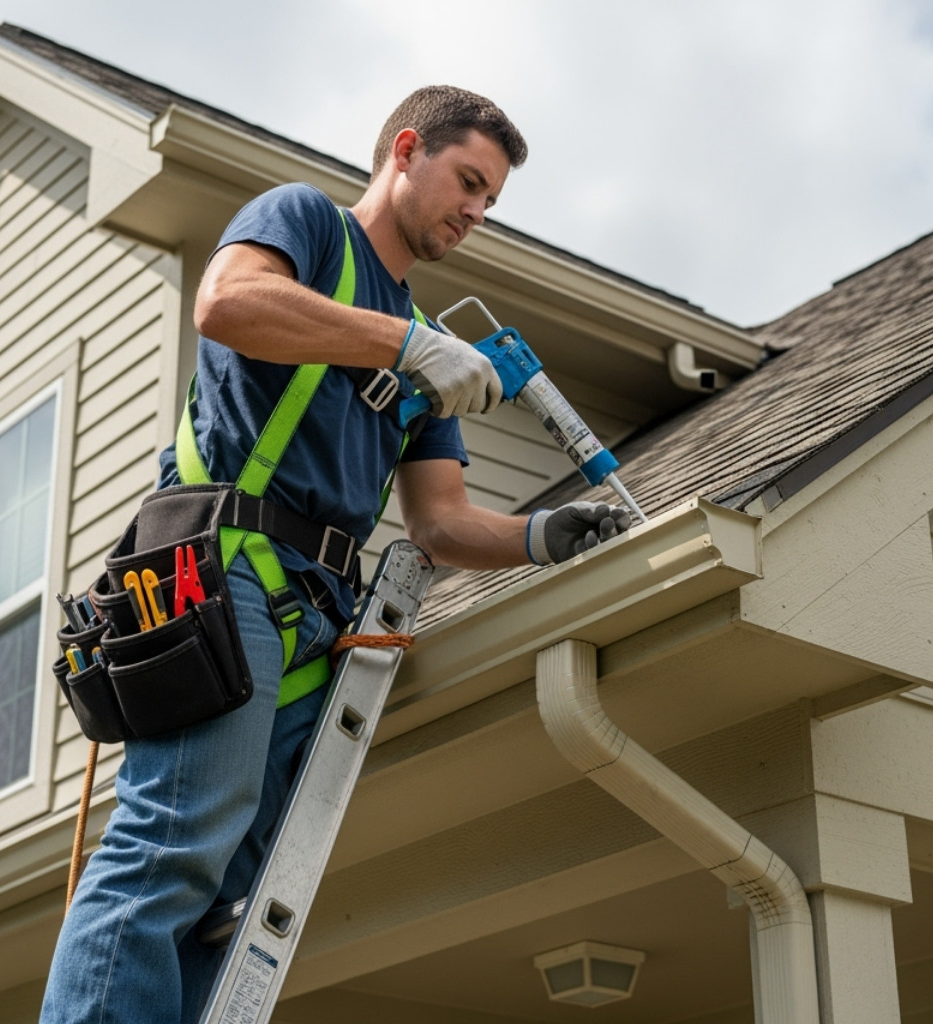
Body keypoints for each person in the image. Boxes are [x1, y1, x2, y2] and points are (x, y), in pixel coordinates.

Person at [40, 86, 629, 1023]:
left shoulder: (426, 349)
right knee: (172, 849)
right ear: (407, 150)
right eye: (468, 181)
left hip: (316, 620)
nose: (476, 212)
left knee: (226, 899)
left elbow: (437, 523)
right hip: (223, 571)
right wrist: (404, 341)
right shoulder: (307, 225)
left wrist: (538, 536)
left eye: (491, 202)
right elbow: (228, 302)